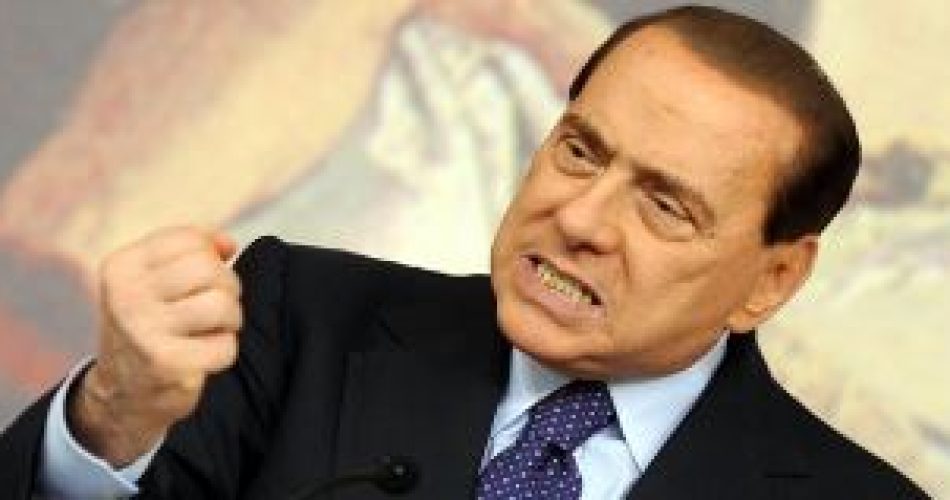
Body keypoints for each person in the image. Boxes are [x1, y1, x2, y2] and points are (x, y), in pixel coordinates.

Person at [0, 5, 928, 499]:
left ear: (772, 279)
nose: (581, 218)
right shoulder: (298, 320)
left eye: (663, 206)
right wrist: (112, 416)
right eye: (580, 151)